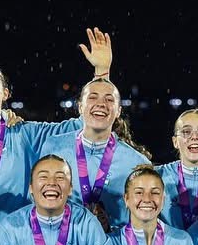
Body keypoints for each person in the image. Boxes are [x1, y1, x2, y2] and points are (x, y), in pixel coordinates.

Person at [0, 28, 106, 219]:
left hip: (17, 234)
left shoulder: (25, 133)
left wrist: (102, 73)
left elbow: (84, 125)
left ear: (5, 93)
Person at [36, 73, 151, 232]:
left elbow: (144, 222)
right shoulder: (53, 147)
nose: (101, 104)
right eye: (92, 97)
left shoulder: (136, 163)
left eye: (109, 99)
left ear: (118, 111)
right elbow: (38, 202)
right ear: (80, 107)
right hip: (60, 243)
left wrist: (111, 228)